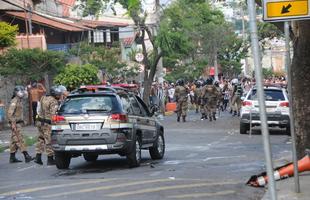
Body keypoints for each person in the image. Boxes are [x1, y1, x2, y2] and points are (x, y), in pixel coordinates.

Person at [34, 86, 62, 165]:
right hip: (47, 123)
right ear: (54, 94)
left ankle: (38, 157)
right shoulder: (53, 101)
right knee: (49, 140)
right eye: (58, 94)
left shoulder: (43, 97)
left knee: (40, 139)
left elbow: (38, 109)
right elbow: (54, 114)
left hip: (40, 121)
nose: (59, 96)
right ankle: (50, 159)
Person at [7, 86, 33, 163]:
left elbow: (25, 95)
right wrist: (13, 123)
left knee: (13, 141)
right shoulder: (14, 101)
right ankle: (26, 156)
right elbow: (9, 113)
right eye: (20, 91)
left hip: (17, 122)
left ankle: (12, 158)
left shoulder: (19, 100)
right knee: (19, 139)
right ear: (16, 92)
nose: (22, 93)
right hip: (15, 123)